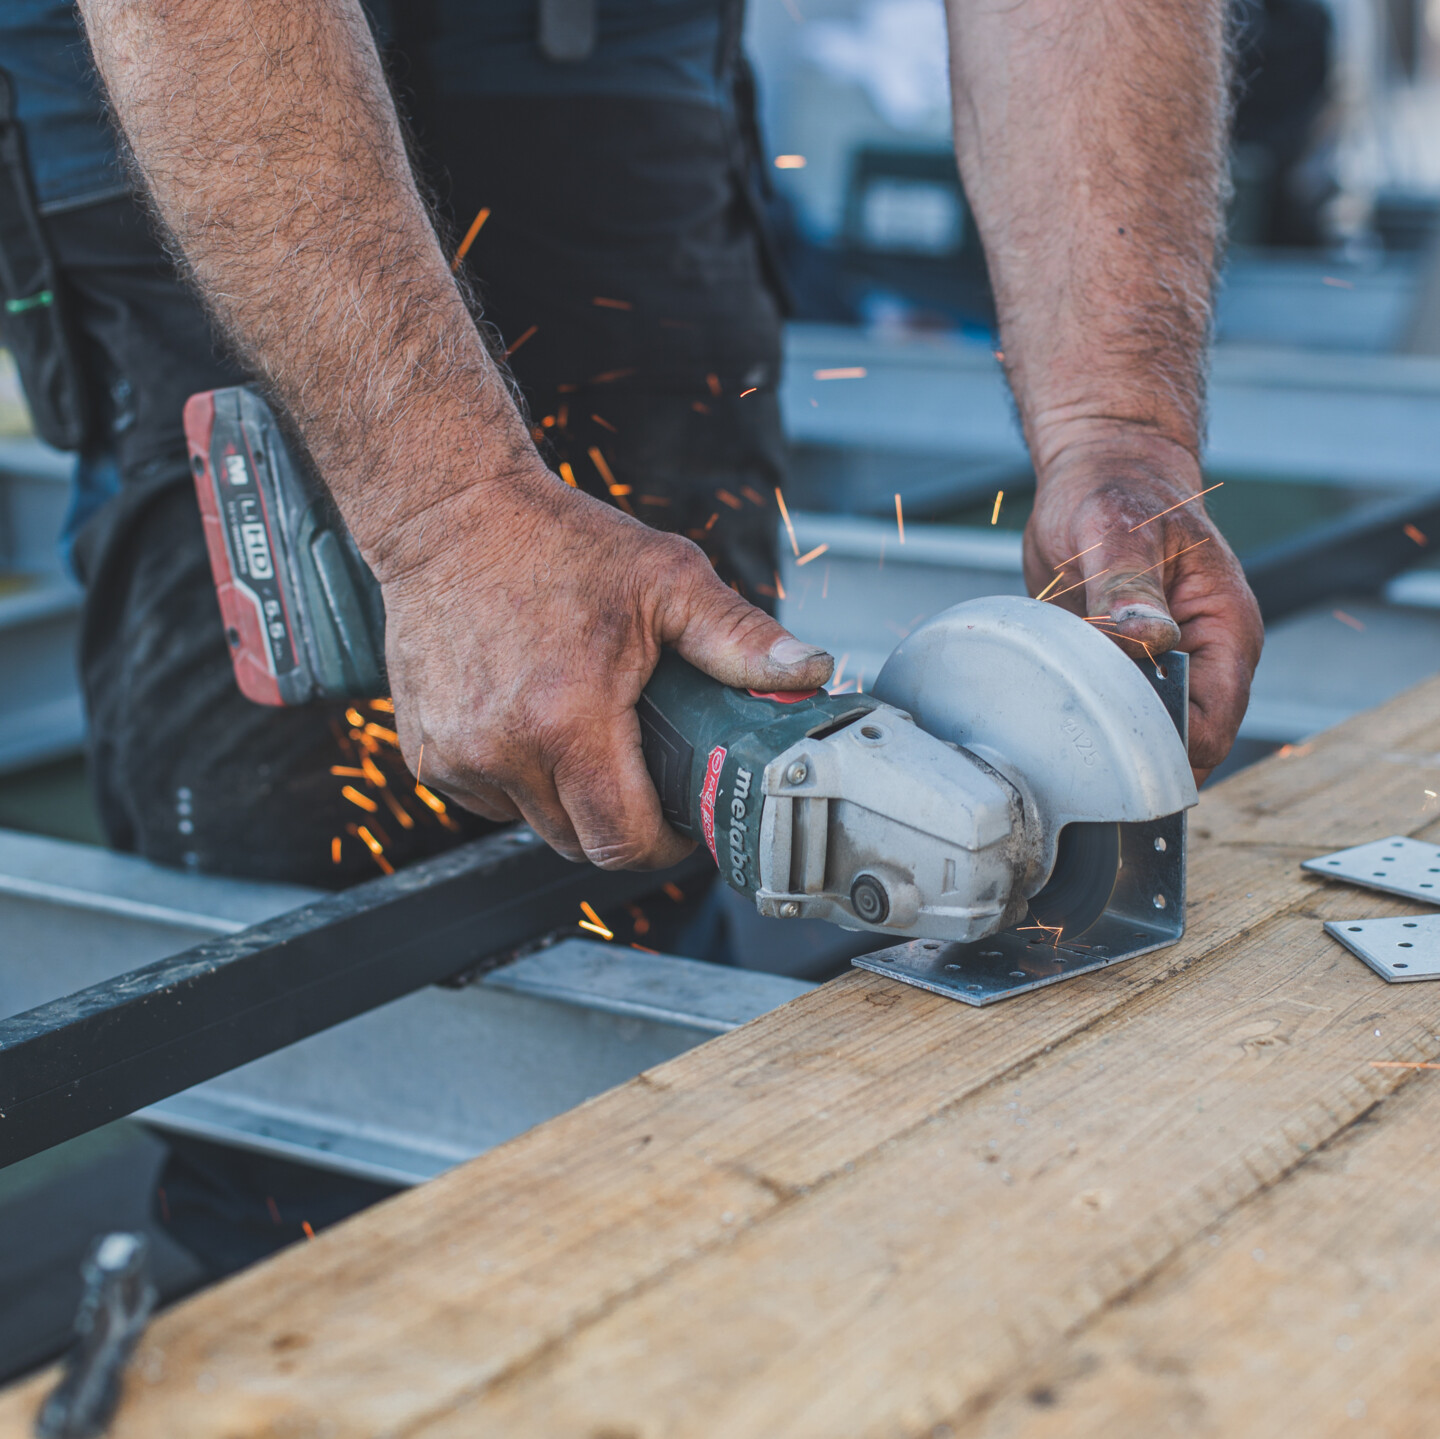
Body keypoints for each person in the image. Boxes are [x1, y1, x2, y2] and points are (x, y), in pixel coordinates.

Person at [0, 0, 1262, 1273]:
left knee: (636, 910)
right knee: (304, 1094)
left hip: (617, 85)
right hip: (218, 107)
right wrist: (447, 520)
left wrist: (1119, 426)